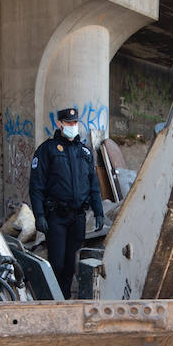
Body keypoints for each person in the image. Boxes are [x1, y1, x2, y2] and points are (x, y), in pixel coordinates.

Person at [29, 107, 104, 297]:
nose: (73, 126)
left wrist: (99, 211)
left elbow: (93, 184)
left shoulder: (85, 152)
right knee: (57, 263)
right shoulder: (47, 150)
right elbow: (36, 186)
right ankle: (52, 300)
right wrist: (39, 215)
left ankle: (65, 298)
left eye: (75, 123)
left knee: (71, 264)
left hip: (77, 216)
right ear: (60, 124)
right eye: (69, 123)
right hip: (56, 217)